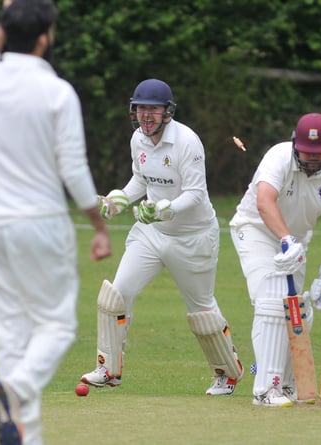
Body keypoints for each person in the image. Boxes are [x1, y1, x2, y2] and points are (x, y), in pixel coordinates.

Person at [0, 0, 112, 443]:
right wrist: (99, 226)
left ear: (6, 32)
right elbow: (73, 170)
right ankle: (19, 388)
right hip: (40, 222)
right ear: (46, 37)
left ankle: (24, 434)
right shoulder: (57, 92)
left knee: (10, 330)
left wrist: (7, 17)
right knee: (57, 326)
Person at [80, 78, 243, 396]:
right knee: (116, 295)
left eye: (153, 109)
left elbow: (196, 195)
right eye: (141, 109)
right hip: (152, 233)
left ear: (167, 112)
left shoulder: (187, 142)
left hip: (193, 237)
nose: (146, 115)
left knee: (202, 311)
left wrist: (163, 209)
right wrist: (118, 201)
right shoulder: (138, 140)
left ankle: (228, 373)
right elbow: (140, 180)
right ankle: (109, 369)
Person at [229, 112, 321, 407]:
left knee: (297, 309)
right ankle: (265, 390)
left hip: (295, 240)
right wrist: (285, 239)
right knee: (272, 301)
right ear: (295, 143)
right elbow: (264, 200)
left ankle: (289, 384)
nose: (311, 158)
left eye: (318, 154)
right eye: (306, 152)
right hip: (255, 230)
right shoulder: (278, 157)